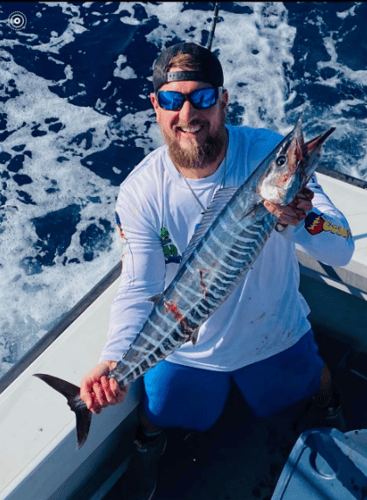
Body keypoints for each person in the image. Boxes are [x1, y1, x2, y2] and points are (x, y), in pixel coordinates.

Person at [80, 42, 355, 500]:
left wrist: (300, 216)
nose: (188, 112)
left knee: (315, 380)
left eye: (203, 98)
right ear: (156, 106)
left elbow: (341, 248)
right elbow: (137, 287)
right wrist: (113, 361)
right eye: (172, 99)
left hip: (275, 331)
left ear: (223, 101)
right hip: (189, 349)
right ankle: (148, 446)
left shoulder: (267, 152)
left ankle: (328, 412)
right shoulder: (140, 192)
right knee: (156, 408)